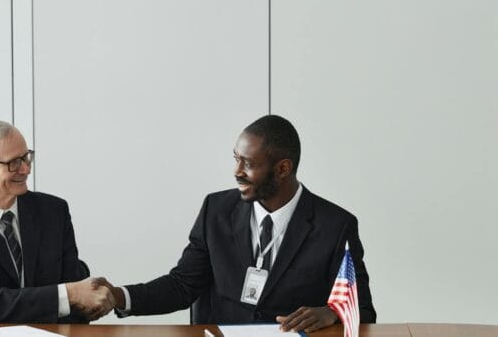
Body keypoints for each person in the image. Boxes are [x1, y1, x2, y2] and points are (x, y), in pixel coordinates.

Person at [108, 115, 376, 333]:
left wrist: (331, 313)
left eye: (247, 164)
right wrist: (118, 296)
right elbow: (181, 285)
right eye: (236, 158)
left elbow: (363, 310)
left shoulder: (336, 226)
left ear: (282, 169)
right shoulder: (216, 210)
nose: (237, 172)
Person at [0, 118, 115, 323]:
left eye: (26, 158)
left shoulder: (54, 211)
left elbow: (78, 296)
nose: (26, 169)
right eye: (13, 162)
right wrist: (68, 294)